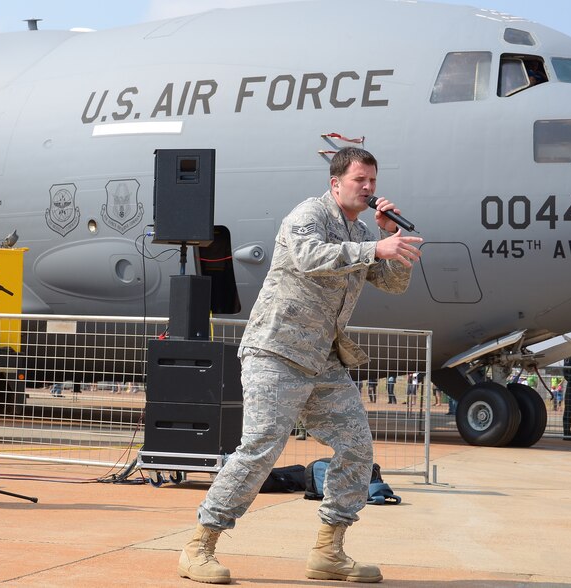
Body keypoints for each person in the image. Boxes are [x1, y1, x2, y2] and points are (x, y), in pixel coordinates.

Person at [178, 147, 423, 584]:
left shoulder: (361, 229)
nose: (368, 189)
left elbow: (391, 283)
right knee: (261, 447)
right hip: (276, 352)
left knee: (357, 449)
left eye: (372, 182)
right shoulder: (308, 214)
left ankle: (329, 551)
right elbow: (311, 257)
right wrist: (373, 246)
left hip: (324, 359)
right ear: (335, 183)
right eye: (359, 181)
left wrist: (391, 247)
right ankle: (200, 544)